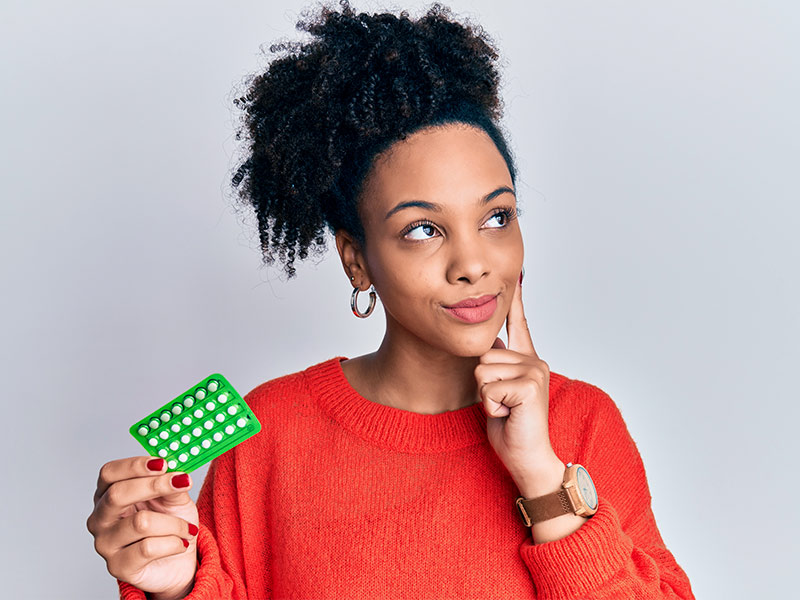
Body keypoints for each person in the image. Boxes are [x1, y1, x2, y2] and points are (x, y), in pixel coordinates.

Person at [86, 2, 696, 598]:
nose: (474, 264)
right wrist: (179, 586)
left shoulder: (582, 424)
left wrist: (541, 478)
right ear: (357, 260)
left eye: (497, 216)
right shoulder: (268, 435)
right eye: (423, 230)